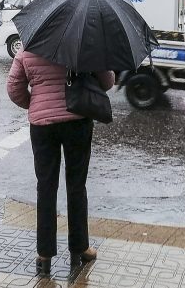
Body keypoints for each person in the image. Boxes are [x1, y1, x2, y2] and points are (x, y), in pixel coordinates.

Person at [7, 51, 115, 275]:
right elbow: (107, 81)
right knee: (76, 185)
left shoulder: (28, 48)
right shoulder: (82, 44)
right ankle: (80, 247)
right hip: (77, 120)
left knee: (46, 186)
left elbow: (14, 88)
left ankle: (44, 254)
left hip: (42, 126)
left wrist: (35, 103)